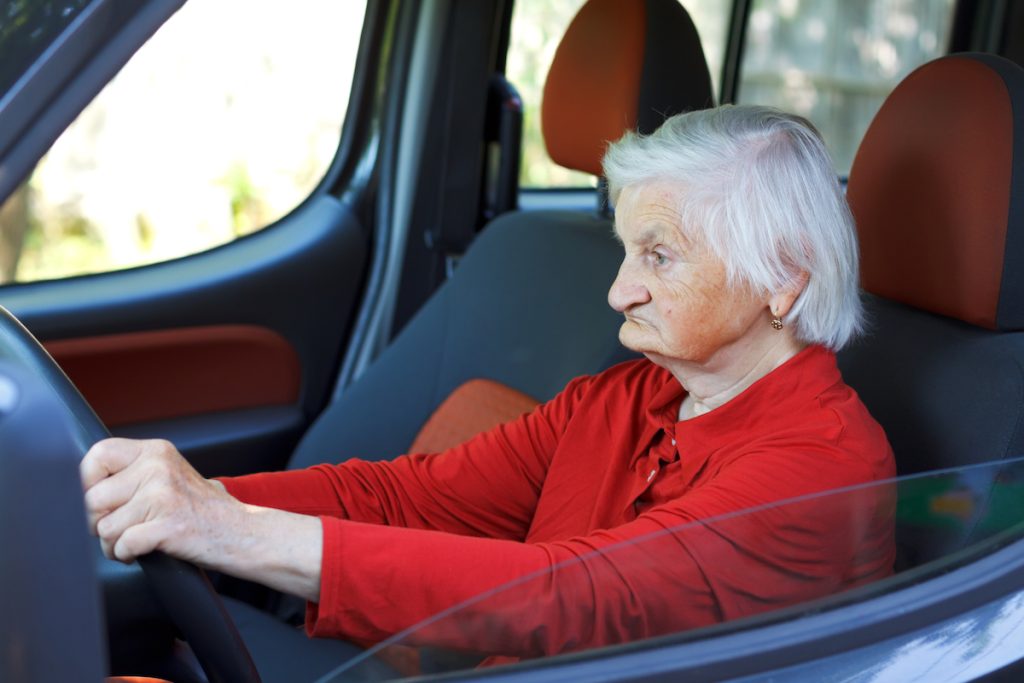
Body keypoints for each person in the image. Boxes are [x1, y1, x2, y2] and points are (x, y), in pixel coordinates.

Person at [81, 105, 895, 666]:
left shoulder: (821, 466)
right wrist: (200, 499)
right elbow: (412, 498)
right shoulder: (626, 396)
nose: (618, 292)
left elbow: (571, 597)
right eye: (624, 251)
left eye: (658, 254)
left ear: (783, 280)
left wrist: (232, 535)